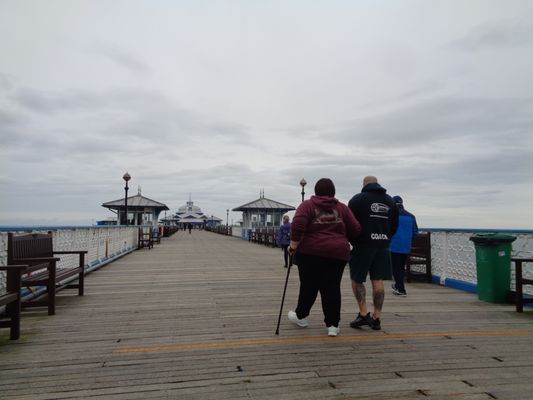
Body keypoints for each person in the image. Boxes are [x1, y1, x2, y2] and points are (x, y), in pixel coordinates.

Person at [287, 178, 361, 337]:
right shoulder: (342, 208)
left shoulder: (307, 205)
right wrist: (340, 236)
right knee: (332, 288)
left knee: (308, 285)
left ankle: (301, 316)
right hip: (337, 253)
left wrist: (293, 246)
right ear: (333, 191)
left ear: (316, 191)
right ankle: (333, 325)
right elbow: (355, 229)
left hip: (309, 252)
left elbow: (298, 224)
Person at [348, 176, 399, 331]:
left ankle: (363, 314)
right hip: (383, 246)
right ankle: (377, 318)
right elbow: (394, 225)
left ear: (364, 185)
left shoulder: (358, 199)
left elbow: (349, 222)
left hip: (362, 245)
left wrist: (352, 239)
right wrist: (385, 237)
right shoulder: (390, 201)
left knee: (357, 280)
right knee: (378, 281)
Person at [390, 195, 419, 296]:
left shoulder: (391, 215)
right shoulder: (411, 216)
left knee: (396, 268)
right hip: (406, 246)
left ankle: (401, 289)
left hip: (393, 245)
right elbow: (415, 232)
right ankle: (398, 285)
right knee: (401, 267)